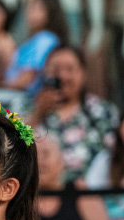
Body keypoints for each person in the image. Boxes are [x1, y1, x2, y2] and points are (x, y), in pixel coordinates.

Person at [32, 46, 119, 186]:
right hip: (38, 196)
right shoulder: (26, 106)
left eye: (70, 69)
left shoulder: (102, 112)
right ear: (45, 73)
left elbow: (116, 158)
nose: (63, 76)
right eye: (56, 70)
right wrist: (37, 113)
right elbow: (9, 151)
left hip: (89, 197)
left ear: (83, 73)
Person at [5, 0, 69, 96]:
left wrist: (3, 86)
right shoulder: (34, 39)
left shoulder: (46, 40)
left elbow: (28, 77)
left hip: (27, 97)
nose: (30, 11)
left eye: (37, 7)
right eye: (30, 6)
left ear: (50, 12)